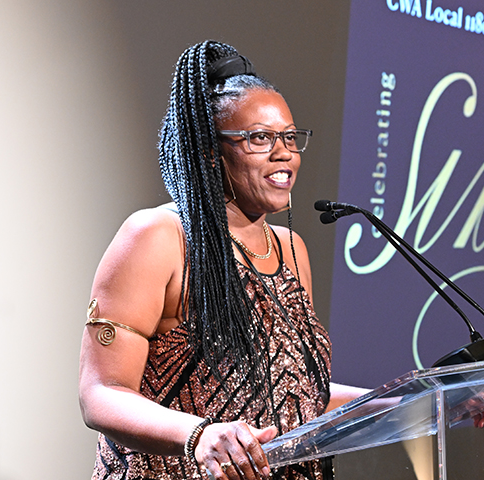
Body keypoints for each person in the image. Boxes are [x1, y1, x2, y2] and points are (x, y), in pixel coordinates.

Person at [78, 40, 368, 480]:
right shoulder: (160, 236)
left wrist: (411, 402)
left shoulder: (290, 249)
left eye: (290, 137)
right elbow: (101, 393)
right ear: (211, 153)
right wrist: (200, 435)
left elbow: (297, 397)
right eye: (260, 138)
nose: (284, 152)